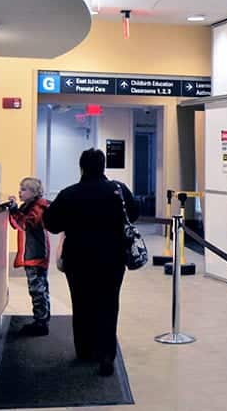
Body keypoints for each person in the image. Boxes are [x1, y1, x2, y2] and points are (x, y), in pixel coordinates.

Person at [43, 148, 139, 377]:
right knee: (108, 303)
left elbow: (52, 223)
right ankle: (106, 355)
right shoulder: (118, 190)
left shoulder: (69, 194)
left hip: (79, 258)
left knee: (82, 302)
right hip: (112, 258)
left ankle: (85, 350)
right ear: (103, 166)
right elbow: (134, 213)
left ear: (81, 167)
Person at [8, 177, 51, 336]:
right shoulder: (27, 206)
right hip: (32, 253)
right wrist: (14, 210)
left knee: (37, 289)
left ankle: (41, 322)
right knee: (39, 287)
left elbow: (25, 223)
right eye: (20, 188)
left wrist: (14, 211)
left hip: (37, 254)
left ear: (34, 193)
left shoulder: (38, 208)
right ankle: (42, 318)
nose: (20, 191)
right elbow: (17, 224)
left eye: (24, 189)